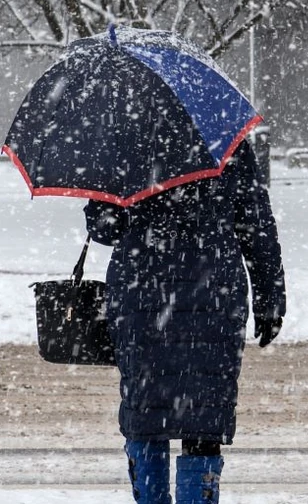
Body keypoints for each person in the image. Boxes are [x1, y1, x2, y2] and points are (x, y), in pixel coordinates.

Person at [83, 138, 286, 504]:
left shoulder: (124, 140)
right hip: (214, 295)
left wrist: (113, 200)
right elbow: (256, 224)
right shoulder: (227, 140)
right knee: (203, 419)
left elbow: (104, 229)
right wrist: (270, 299)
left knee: (147, 417)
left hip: (142, 294)